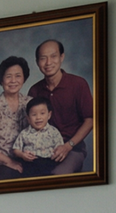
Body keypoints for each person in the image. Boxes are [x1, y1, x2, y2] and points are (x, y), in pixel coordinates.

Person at [28, 39, 94, 174]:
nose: (48, 63)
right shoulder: (34, 90)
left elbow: (90, 120)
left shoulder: (78, 84)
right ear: (37, 62)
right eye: (43, 58)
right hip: (42, 150)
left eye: (53, 56)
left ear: (61, 57)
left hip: (73, 148)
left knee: (57, 176)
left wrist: (68, 146)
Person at [12, 97, 65, 176]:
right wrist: (22, 155)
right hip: (30, 162)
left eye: (42, 113)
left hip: (48, 162)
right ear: (28, 118)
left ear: (49, 115)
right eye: (34, 115)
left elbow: (60, 148)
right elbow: (16, 149)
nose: (38, 118)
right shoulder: (24, 133)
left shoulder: (54, 132)